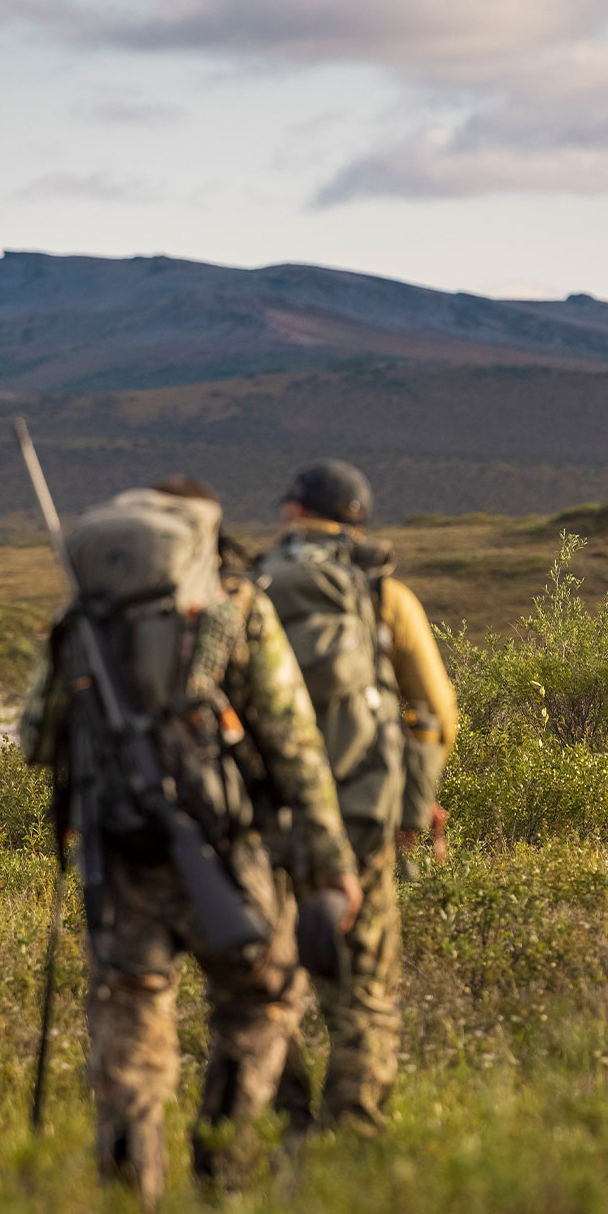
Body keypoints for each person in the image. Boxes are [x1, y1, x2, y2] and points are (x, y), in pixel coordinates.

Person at [18, 479, 361, 1211]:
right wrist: (330, 863)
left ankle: (129, 1205)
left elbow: (32, 740)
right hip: (225, 852)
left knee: (130, 1025)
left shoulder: (83, 619)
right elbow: (295, 743)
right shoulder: (233, 607)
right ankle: (221, 1171)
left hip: (119, 862)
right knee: (261, 1000)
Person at [262, 460, 456, 1134]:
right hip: (361, 812)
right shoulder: (381, 593)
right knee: (364, 983)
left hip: (264, 815)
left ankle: (283, 1120)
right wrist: (412, 804)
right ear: (357, 518)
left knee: (265, 975)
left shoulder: (244, 588)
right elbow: (435, 711)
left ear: (291, 513)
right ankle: (353, 1128)